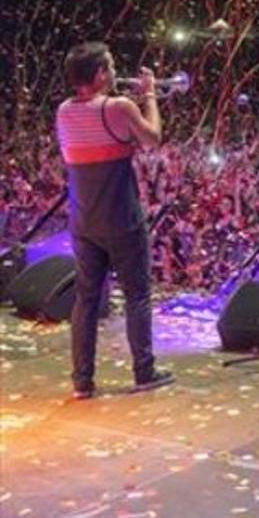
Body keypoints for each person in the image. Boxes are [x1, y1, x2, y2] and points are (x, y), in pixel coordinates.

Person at [56, 42, 175, 400]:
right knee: (137, 295)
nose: (112, 73)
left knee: (87, 300)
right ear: (98, 74)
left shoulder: (63, 111)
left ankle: (82, 381)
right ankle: (144, 371)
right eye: (108, 68)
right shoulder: (118, 107)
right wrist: (150, 95)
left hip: (83, 221)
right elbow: (153, 139)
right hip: (122, 218)